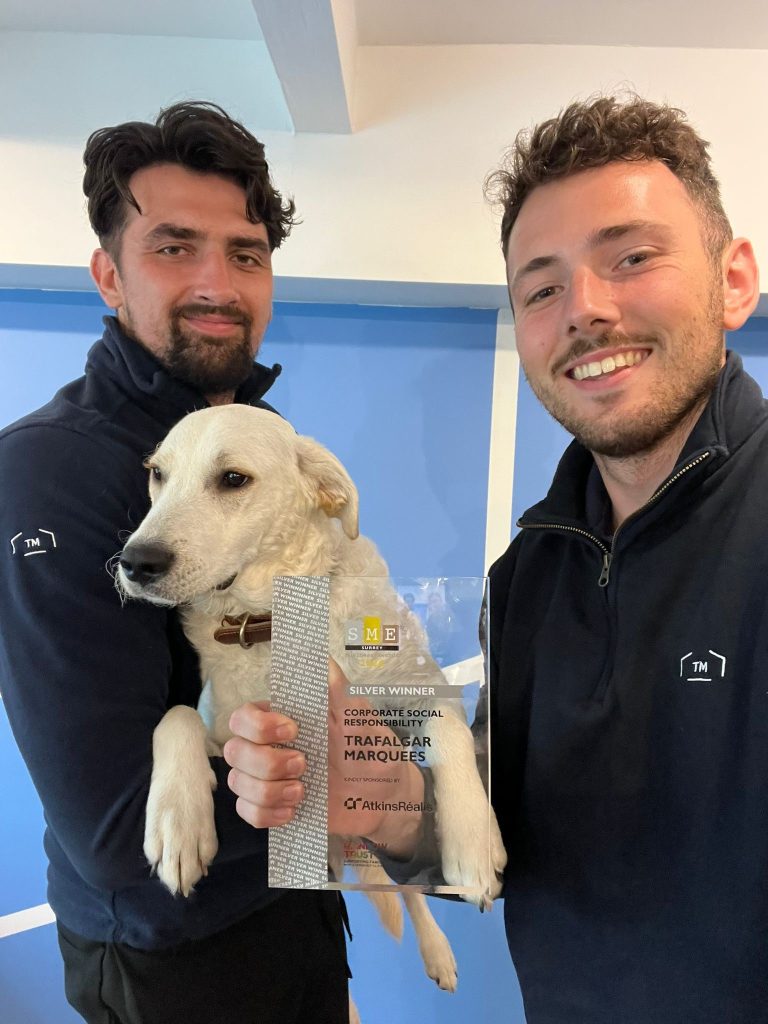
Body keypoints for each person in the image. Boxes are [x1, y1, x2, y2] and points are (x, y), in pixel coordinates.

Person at [226, 94, 768, 1022]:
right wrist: (379, 799)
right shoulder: (524, 576)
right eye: (541, 287)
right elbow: (498, 836)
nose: (585, 311)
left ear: (734, 278)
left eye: (631, 257)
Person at [0, 101, 351, 1024]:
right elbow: (119, 835)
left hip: (305, 912)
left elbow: (315, 691)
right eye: (173, 247)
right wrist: (356, 790)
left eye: (245, 253)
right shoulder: (48, 470)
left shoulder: (271, 442)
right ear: (108, 276)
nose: (217, 282)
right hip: (174, 963)